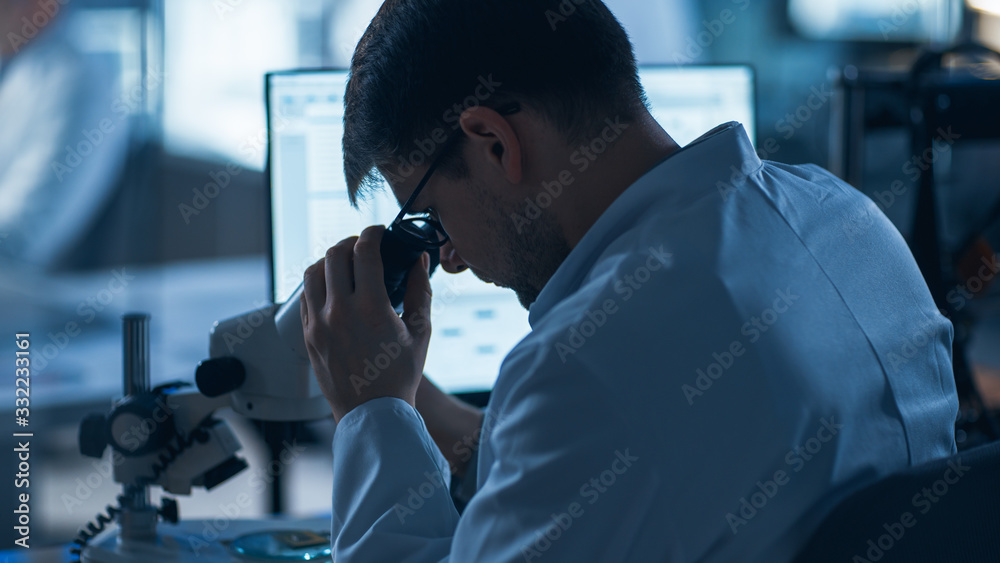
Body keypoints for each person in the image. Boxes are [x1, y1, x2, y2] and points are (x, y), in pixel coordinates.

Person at [298, 0, 959, 560]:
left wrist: (371, 415)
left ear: (495, 141)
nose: (450, 259)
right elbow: (634, 449)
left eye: (431, 214)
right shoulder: (847, 218)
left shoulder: (582, 366)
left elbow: (600, 414)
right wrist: (408, 396)